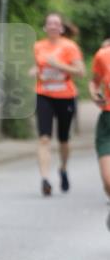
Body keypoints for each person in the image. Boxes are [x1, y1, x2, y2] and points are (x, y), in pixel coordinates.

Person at [31, 12, 84, 195]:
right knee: (44, 138)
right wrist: (35, 70)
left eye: (56, 23)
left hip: (65, 96)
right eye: (49, 23)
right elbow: (38, 67)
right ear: (45, 27)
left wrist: (59, 65)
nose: (53, 26)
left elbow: (80, 72)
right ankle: (45, 179)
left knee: (63, 139)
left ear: (61, 28)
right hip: (43, 94)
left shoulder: (70, 47)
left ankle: (63, 168)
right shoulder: (38, 46)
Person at [89, 39, 110, 229]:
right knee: (108, 179)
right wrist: (95, 95)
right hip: (107, 121)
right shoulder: (103, 55)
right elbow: (94, 82)